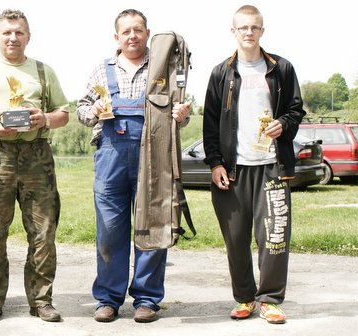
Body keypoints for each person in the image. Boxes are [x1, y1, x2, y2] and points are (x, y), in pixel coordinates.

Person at [0, 8, 70, 323]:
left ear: (28, 36)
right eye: (6, 32)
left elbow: (64, 112)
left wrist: (44, 118)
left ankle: (41, 300)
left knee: (43, 232)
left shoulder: (43, 71)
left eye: (19, 32)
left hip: (36, 156)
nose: (13, 37)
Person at [76, 9, 191, 324]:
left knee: (152, 224)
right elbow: (81, 109)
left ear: (147, 32)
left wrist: (182, 115)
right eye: (126, 31)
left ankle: (147, 299)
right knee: (110, 230)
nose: (132, 36)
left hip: (153, 159)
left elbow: (180, 111)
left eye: (138, 30)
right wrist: (95, 109)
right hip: (110, 158)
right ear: (117, 37)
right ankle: (108, 299)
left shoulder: (164, 68)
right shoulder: (102, 70)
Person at [202, 4, 306, 325]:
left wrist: (283, 124)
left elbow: (295, 110)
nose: (249, 33)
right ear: (233, 31)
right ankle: (245, 298)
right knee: (235, 238)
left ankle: (271, 299)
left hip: (272, 166)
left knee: (274, 235)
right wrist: (215, 164)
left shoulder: (281, 68)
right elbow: (209, 123)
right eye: (243, 28)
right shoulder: (222, 72)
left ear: (263, 31)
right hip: (233, 170)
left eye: (254, 28)